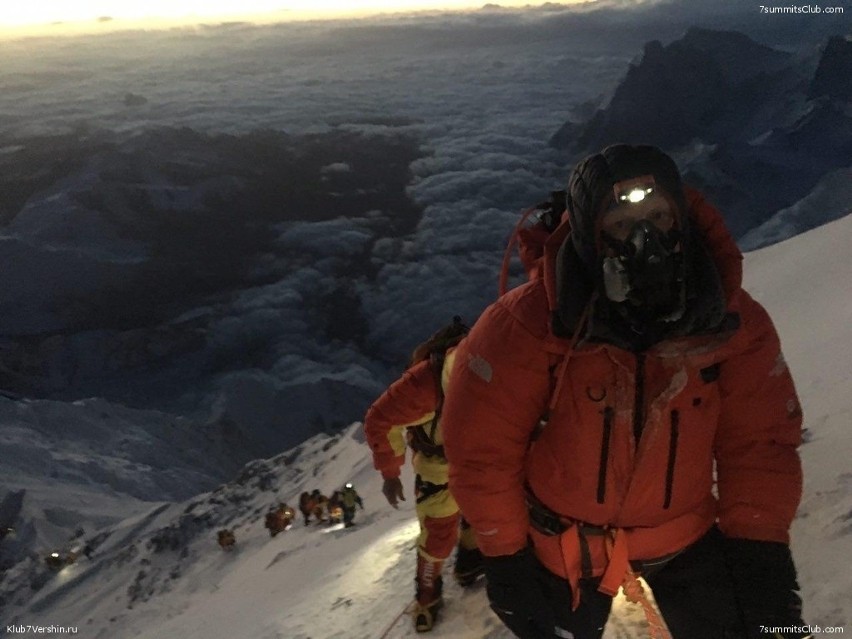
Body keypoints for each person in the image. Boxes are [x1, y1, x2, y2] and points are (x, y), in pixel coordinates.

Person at [442, 144, 807, 639]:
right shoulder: (527, 326)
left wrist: (762, 560)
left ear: (681, 220)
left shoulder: (729, 322)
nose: (645, 238)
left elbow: (758, 445)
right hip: (565, 547)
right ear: (591, 235)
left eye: (658, 216)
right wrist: (505, 556)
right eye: (621, 224)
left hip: (683, 535)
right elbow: (483, 451)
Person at [364, 318, 485, 633]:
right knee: (438, 536)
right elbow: (380, 419)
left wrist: (391, 472)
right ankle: (428, 596)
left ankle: (467, 566)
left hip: (477, 464)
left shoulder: (484, 372)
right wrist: (390, 473)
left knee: (479, 517)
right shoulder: (426, 384)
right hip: (442, 469)